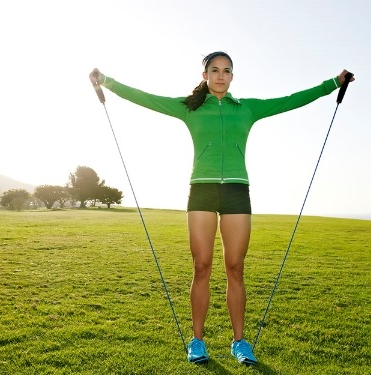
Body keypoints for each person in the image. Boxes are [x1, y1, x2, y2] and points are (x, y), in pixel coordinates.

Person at [89, 51, 354, 365]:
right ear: (205, 75)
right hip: (201, 190)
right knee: (201, 267)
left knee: (235, 269)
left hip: (236, 192)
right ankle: (197, 341)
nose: (220, 75)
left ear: (232, 77)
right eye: (214, 70)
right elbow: (145, 97)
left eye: (226, 71)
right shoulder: (190, 108)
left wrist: (333, 83)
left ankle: (239, 343)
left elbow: (292, 99)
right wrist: (106, 81)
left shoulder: (247, 109)